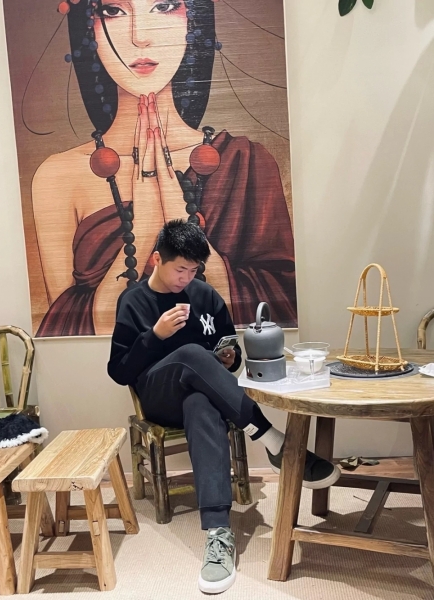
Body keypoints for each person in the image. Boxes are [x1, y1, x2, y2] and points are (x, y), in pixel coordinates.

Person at [32, 0, 297, 337]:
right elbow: (71, 336)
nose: (140, 36)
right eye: (113, 11)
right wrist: (142, 232)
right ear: (88, 29)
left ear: (193, 22)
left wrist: (182, 225)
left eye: (164, 6)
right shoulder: (58, 176)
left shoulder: (247, 161)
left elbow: (274, 316)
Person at [108, 220, 340, 594]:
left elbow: (230, 353)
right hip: (157, 397)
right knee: (190, 353)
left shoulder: (205, 296)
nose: (187, 278)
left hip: (202, 395)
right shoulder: (133, 301)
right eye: (180, 269)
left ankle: (218, 533)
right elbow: (119, 372)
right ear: (156, 260)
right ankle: (275, 440)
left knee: (202, 402)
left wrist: (231, 358)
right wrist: (155, 336)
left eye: (193, 270)